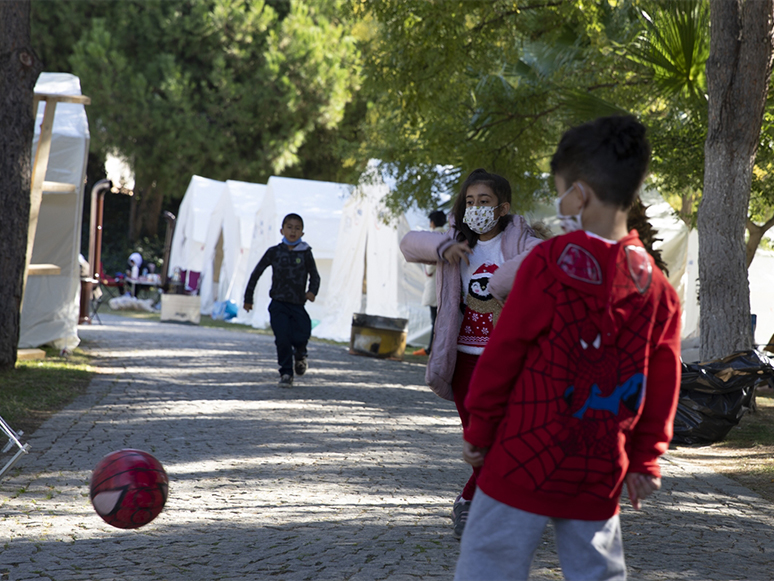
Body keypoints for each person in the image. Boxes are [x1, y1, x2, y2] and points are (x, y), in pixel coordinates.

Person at [454, 116, 682, 580]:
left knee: (487, 566)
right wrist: (646, 459)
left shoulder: (545, 263)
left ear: (577, 194)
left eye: (560, 190)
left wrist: (479, 430)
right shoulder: (659, 290)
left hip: (519, 459)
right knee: (597, 573)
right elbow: (662, 384)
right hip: (598, 468)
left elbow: (503, 354)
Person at [400, 168, 543, 538]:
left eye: (485, 201)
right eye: (470, 201)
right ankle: (480, 504)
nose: (476, 207)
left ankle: (472, 501)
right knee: (480, 439)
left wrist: (499, 282)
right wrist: (442, 248)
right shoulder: (454, 240)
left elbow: (540, 258)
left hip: (508, 360)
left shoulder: (520, 240)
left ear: (503, 207)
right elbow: (408, 243)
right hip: (464, 359)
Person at [243, 213, 320, 388]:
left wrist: (312, 291)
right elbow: (256, 273)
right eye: (289, 227)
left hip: (298, 304)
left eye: (297, 228)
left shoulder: (306, 252)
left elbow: (315, 276)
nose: (293, 231)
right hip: (278, 303)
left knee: (303, 333)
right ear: (282, 230)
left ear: (302, 233)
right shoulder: (274, 252)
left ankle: (300, 354)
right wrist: (248, 298)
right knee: (282, 338)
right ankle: (286, 372)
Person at [412, 209, 448, 357]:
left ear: (432, 223)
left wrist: (429, 270)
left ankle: (431, 349)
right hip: (445, 280)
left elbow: (433, 257)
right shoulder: (448, 235)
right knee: (441, 318)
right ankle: (435, 348)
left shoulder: (434, 236)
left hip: (435, 280)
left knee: (436, 319)